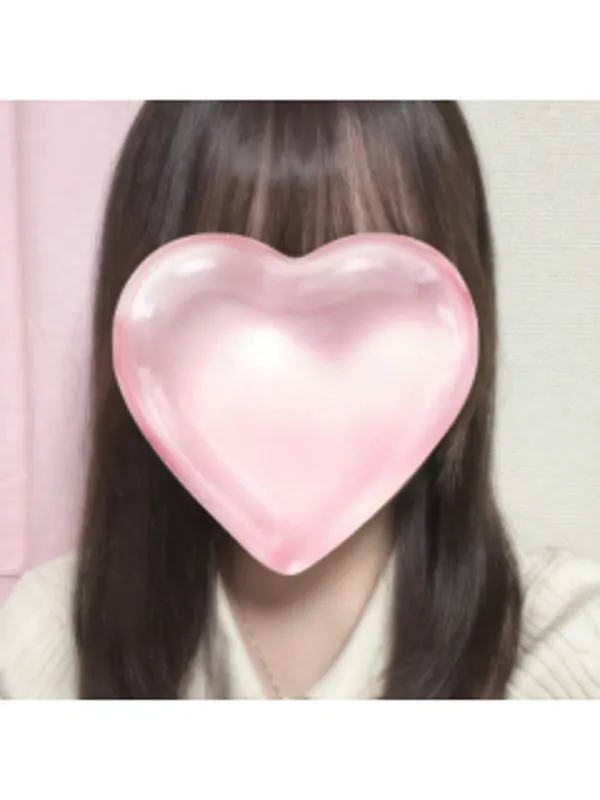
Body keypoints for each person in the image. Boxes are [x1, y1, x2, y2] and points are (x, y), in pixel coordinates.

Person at [1, 101, 600, 700]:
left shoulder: (567, 651)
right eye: (223, 309)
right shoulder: (41, 649)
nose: (292, 375)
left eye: (371, 302)